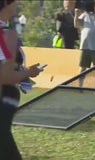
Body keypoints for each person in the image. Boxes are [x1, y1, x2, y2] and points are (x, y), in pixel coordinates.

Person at [0, 0, 43, 159]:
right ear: (5, 3)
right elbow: (4, 77)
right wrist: (28, 73)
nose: (17, 3)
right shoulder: (7, 34)